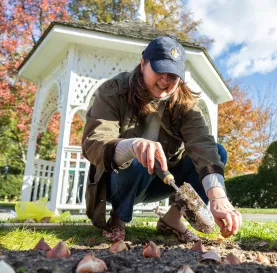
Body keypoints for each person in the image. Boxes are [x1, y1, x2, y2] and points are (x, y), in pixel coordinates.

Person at [82, 36, 242, 243]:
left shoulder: (185, 103)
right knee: (139, 155)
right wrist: (132, 145)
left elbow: (202, 144)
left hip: (163, 181)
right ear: (143, 64)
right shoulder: (113, 91)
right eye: (159, 70)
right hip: (119, 181)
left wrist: (217, 196)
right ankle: (118, 219)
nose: (165, 81)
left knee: (218, 152)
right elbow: (94, 141)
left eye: (173, 76)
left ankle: (172, 219)